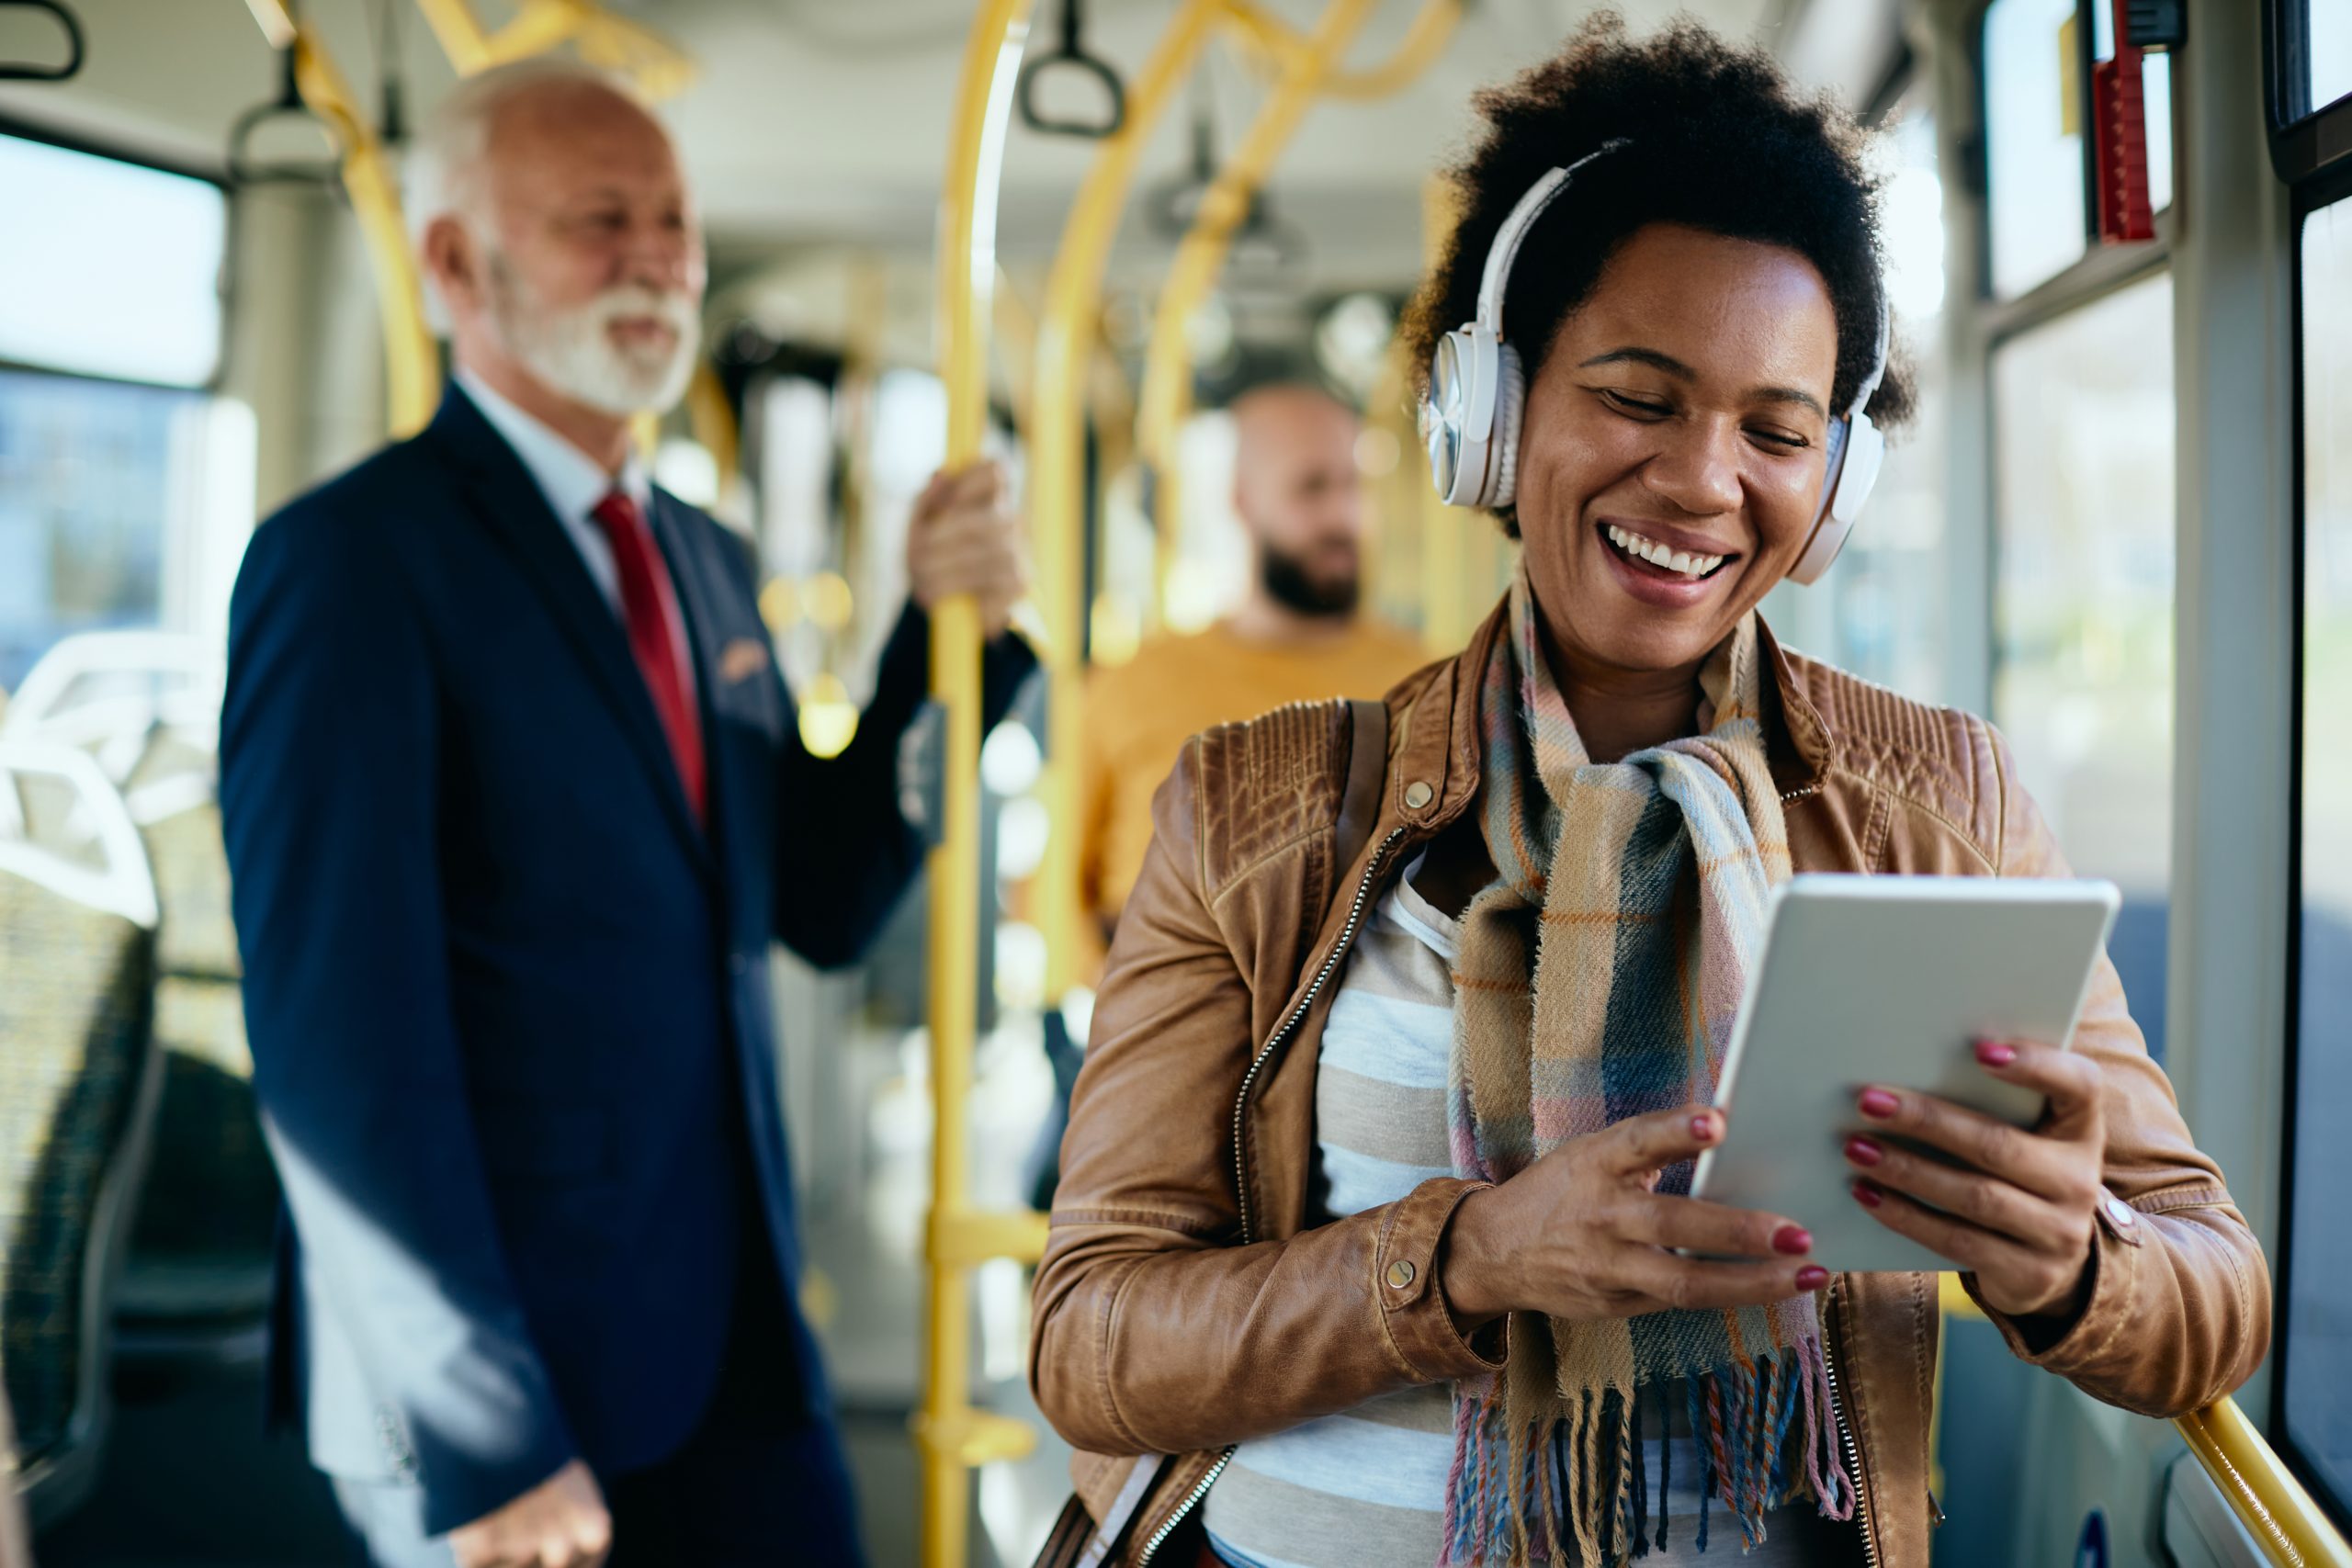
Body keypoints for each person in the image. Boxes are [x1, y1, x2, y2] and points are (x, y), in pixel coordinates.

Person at [1027, 20, 2267, 1568]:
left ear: (1835, 483)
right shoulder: (1254, 811)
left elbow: (2215, 1287)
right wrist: (1469, 1259)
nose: (1702, 479)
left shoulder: (1936, 805)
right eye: (1638, 396)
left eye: (1778, 431)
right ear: (1490, 410)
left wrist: (2073, 1263)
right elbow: (1090, 1338)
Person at [220, 60, 1032, 1568]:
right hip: (504, 1374)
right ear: (457, 263)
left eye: (676, 222)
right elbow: (342, 1045)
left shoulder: (706, 562)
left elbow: (816, 898)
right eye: (603, 219)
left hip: (735, 1335)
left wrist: (941, 642)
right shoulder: (352, 564)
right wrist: (483, 1427)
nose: (659, 258)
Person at [1076, 382, 1427, 958]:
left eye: (1354, 485)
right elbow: (1060, 894)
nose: (1342, 514)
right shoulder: (1134, 682)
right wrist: (1125, 1002)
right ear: (1242, 500)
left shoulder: (1433, 680)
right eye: (1311, 487)